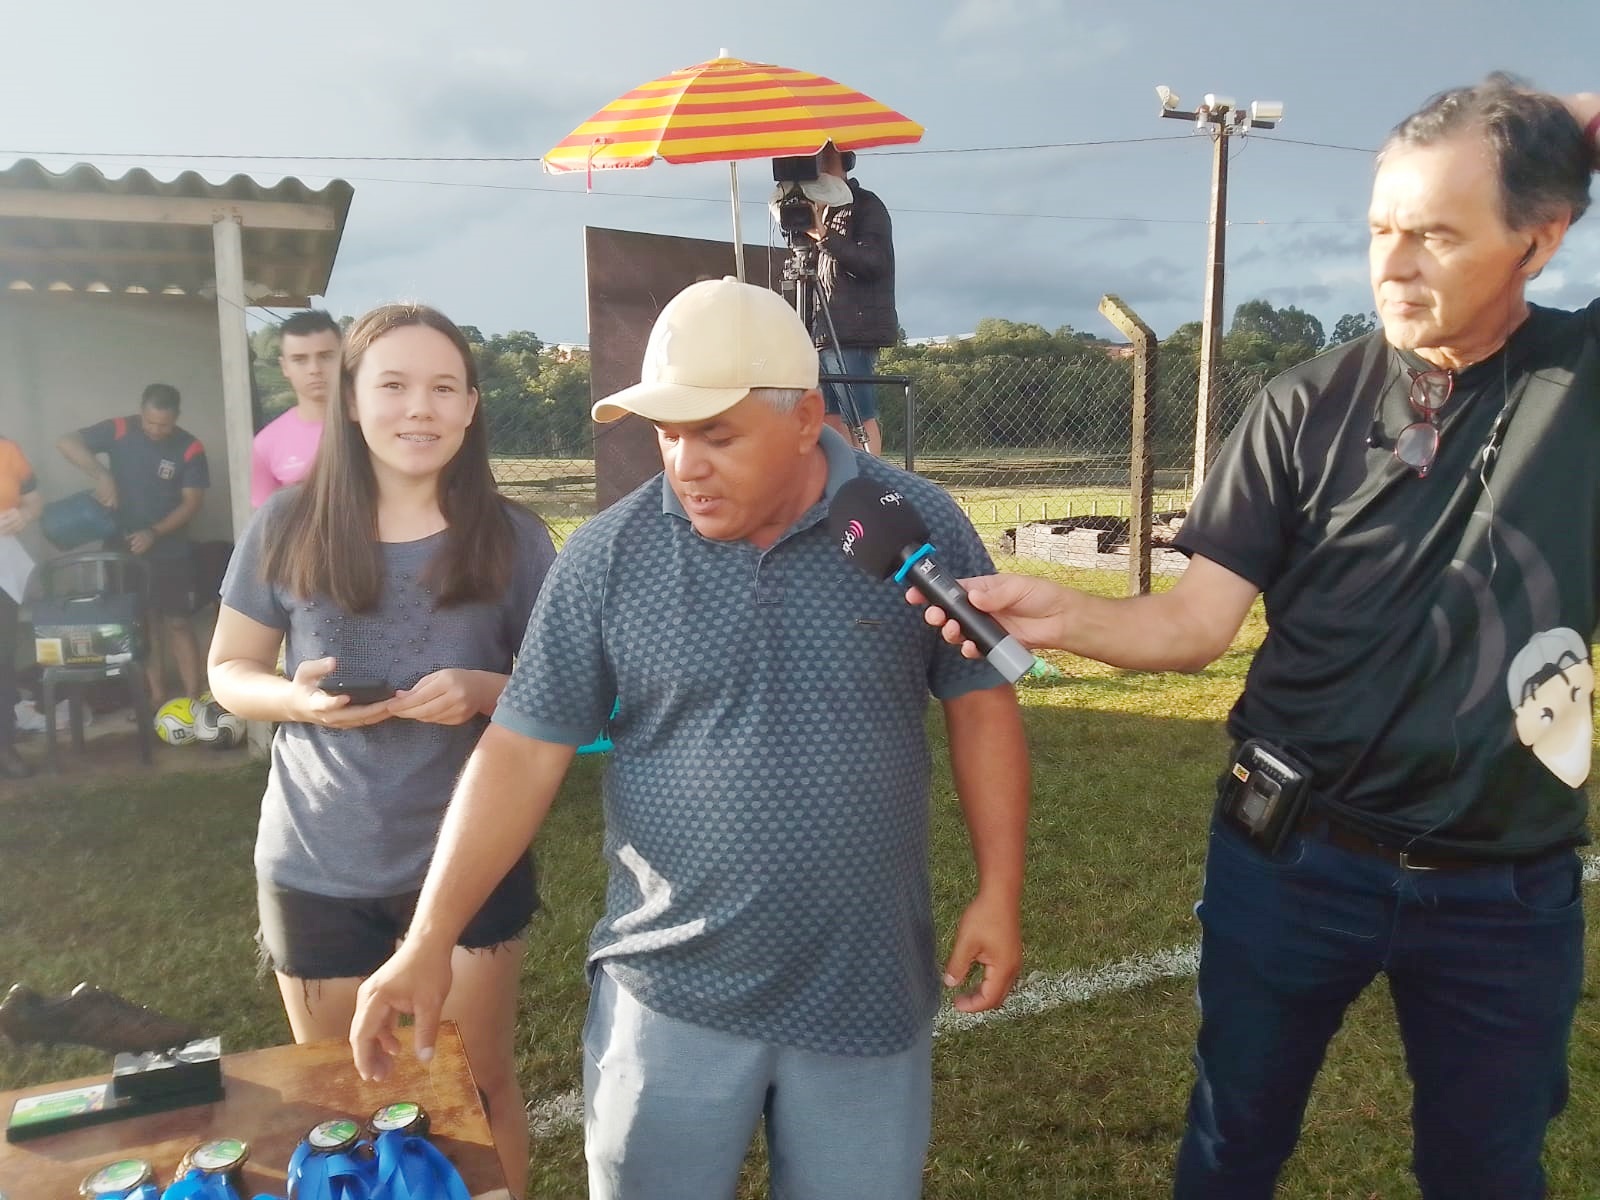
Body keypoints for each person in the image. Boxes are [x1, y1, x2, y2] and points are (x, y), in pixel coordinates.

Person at [919, 77, 1600, 1199]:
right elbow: (1197, 622)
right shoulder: (1301, 404)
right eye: (1380, 229)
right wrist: (1068, 614)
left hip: (1504, 886)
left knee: (1486, 1170)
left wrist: (1570, 118)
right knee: (1232, 1145)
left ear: (1542, 238)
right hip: (1294, 859)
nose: (1393, 266)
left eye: (1436, 234)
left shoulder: (1579, 387)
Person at [349, 278, 1029, 1200]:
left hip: (867, 986)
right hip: (666, 996)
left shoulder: (915, 524)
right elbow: (519, 750)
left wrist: (999, 889)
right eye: (666, 434)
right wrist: (430, 938)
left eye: (716, 435)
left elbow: (981, 703)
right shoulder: (607, 556)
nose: (685, 465)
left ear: (806, 419)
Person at [207, 303, 555, 1198]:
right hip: (316, 863)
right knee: (348, 1103)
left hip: (468, 861)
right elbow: (229, 670)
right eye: (393, 385)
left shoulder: (514, 538)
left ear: (471, 406)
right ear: (353, 400)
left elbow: (569, 694)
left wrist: (485, 690)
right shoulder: (287, 524)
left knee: (473, 1090)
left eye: (443, 387)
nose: (419, 408)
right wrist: (295, 701)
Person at [57, 384, 208, 704]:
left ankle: (194, 699)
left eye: (164, 425)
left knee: (178, 622)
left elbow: (192, 502)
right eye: (150, 422)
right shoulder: (120, 429)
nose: (155, 430)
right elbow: (66, 441)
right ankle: (157, 697)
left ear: (176, 417)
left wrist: (154, 532)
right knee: (142, 623)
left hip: (170, 548)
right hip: (123, 546)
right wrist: (101, 475)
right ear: (141, 412)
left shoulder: (189, 447)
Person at [808, 141, 898, 456]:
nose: (819, 164)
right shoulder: (818, 207)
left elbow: (874, 262)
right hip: (822, 329)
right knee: (829, 418)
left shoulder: (865, 205)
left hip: (852, 329)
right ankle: (841, 475)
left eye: (825, 157)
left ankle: (867, 477)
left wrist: (826, 237)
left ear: (845, 160)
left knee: (858, 416)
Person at [251, 309, 341, 507]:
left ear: (343, 357)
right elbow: (270, 521)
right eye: (300, 360)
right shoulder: (264, 446)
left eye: (325, 356)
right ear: (284, 367)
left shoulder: (376, 426)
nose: (314, 369)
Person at [0, 435, 42, 780]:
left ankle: (4, 744)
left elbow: (34, 500)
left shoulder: (8, 450)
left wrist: (24, 514)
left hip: (2, 568)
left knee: (2, 659)